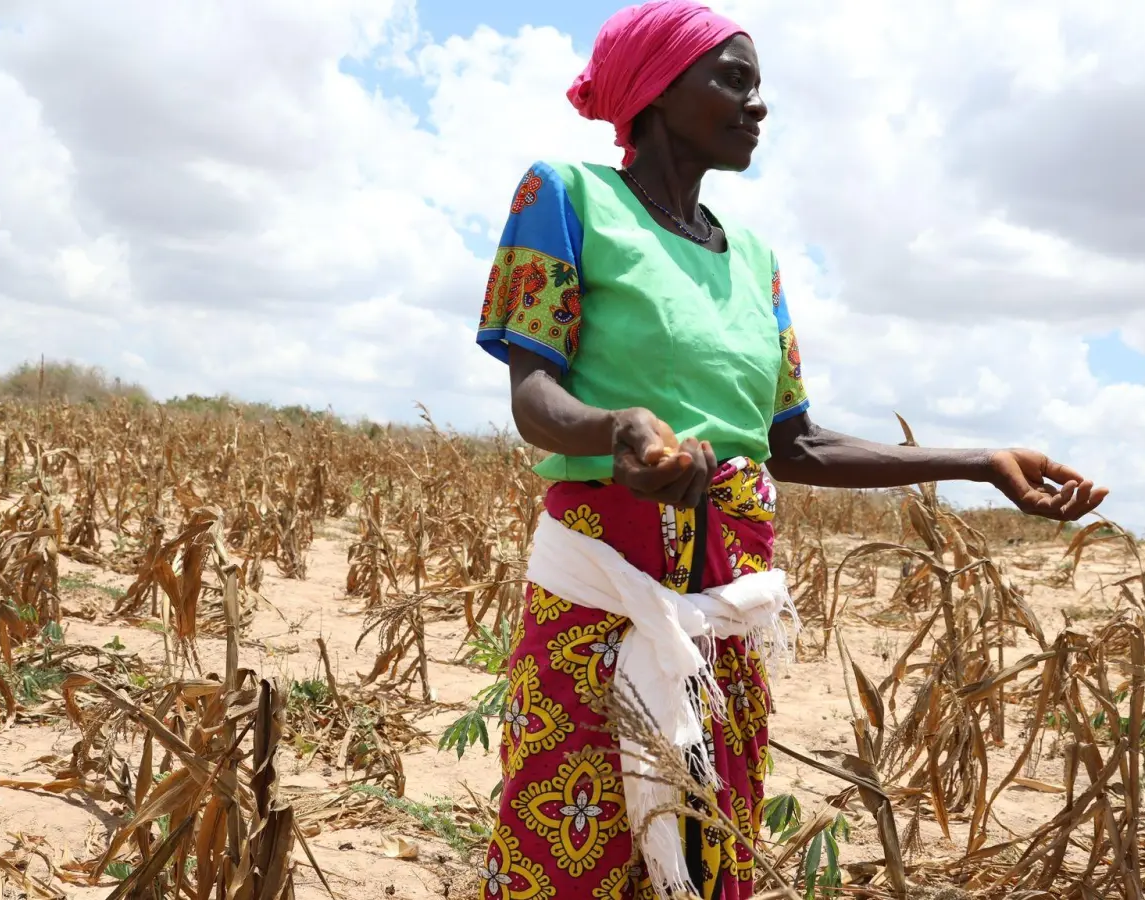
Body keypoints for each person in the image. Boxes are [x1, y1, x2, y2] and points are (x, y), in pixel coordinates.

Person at [471, 2, 1110, 897]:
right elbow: (534, 395)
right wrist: (617, 431)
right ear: (656, 89)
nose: (758, 103)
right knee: (573, 843)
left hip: (729, 602)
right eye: (733, 79)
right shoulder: (565, 197)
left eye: (758, 83)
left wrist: (978, 461)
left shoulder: (758, 261)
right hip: (606, 590)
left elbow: (794, 443)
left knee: (702, 845)